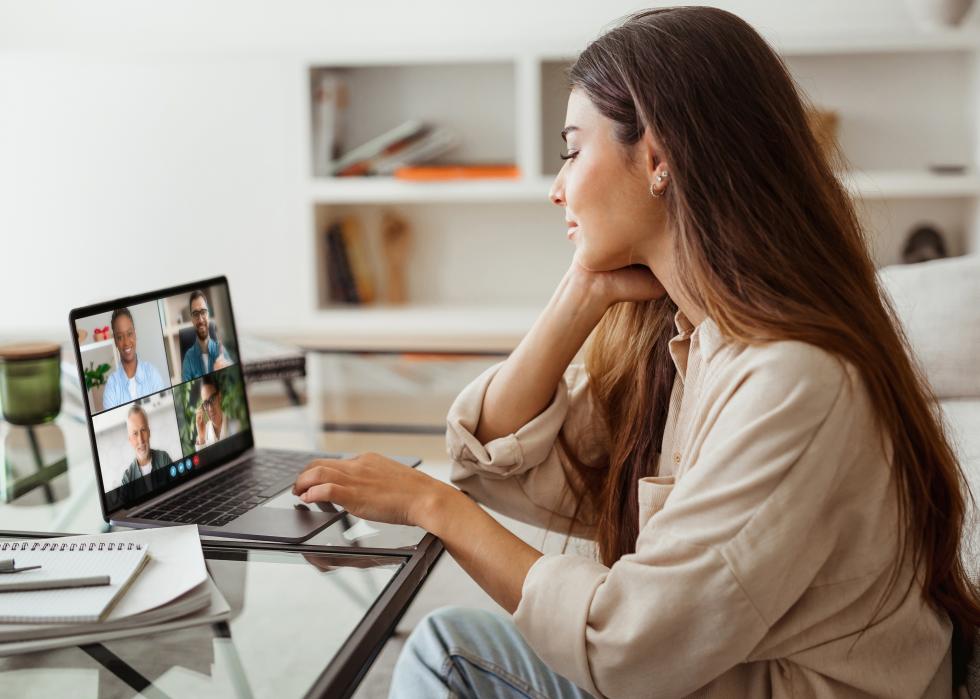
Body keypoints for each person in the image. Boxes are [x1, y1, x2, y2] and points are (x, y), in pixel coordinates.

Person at [291, 8, 980, 698]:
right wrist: (579, 295)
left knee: (446, 656)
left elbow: (629, 647)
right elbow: (494, 460)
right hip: (717, 678)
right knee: (448, 646)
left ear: (656, 157)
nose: (558, 187)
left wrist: (428, 504)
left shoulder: (794, 378)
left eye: (572, 148)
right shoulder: (694, 342)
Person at [102, 308, 168, 410]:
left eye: (129, 334)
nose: (126, 342)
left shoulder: (152, 374)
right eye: (120, 337)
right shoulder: (111, 387)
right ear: (115, 341)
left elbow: (165, 412)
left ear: (135, 334)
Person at [181, 290, 232, 381]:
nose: (200, 320)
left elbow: (236, 380)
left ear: (208, 314)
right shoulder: (188, 359)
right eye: (195, 314)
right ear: (192, 319)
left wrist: (229, 370)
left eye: (203, 312)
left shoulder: (221, 350)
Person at [120, 404, 173, 486]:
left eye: (143, 430)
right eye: (135, 433)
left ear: (149, 432)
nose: (140, 440)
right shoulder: (127, 479)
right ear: (130, 440)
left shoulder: (164, 459)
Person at [194, 373, 240, 449]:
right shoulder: (201, 438)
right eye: (206, 403)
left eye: (212, 399)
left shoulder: (236, 426)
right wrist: (202, 439)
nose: (210, 408)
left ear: (219, 396)